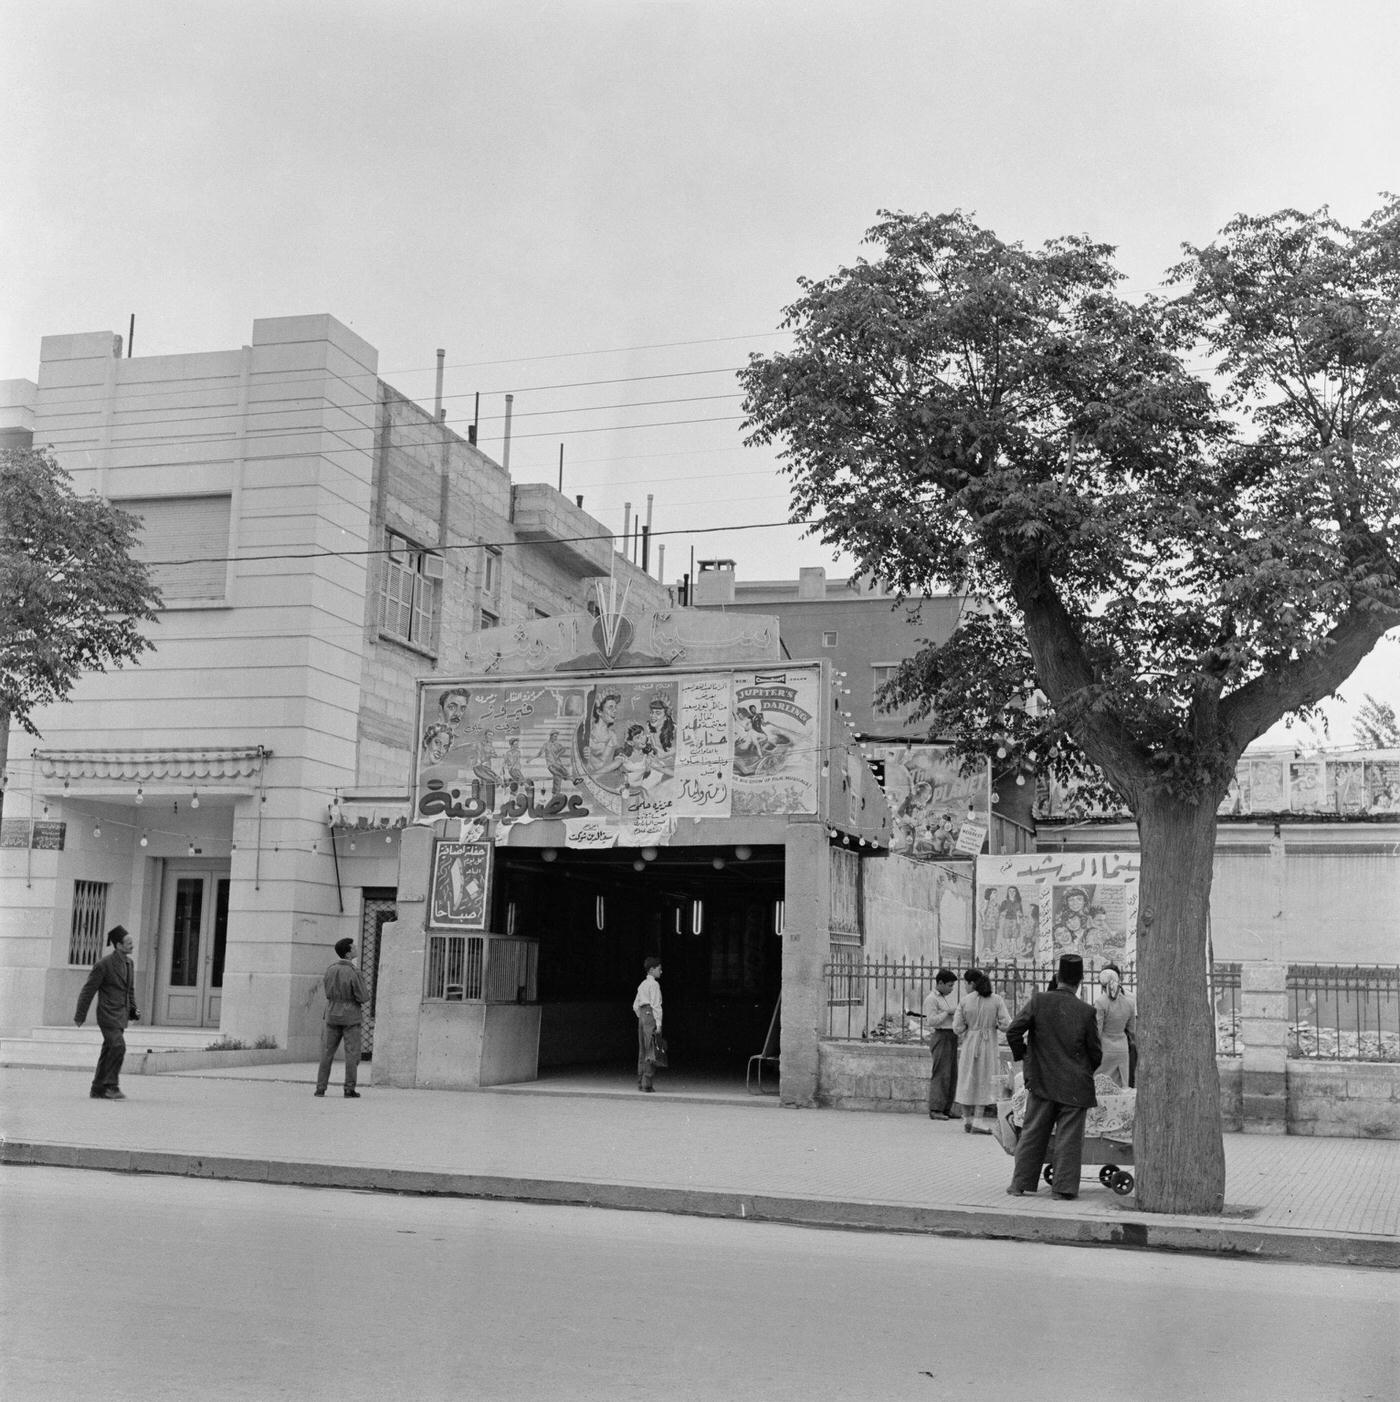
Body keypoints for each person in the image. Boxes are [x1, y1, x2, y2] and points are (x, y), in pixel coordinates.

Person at [1005, 952, 1103, 1199]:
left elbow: (1013, 1032)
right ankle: (1063, 1189)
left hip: (1041, 1080)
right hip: (1075, 1085)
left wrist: (1027, 1058)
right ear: (1080, 981)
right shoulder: (1086, 1011)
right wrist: (1082, 1070)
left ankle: (1019, 1184)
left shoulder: (1039, 1001)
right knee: (1069, 1139)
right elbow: (1096, 1053)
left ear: (1058, 977)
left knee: (1033, 1132)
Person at [74, 926, 139, 1100]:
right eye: (128, 943)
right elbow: (88, 990)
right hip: (107, 1013)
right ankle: (111, 1086)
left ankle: (97, 1088)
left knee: (109, 1048)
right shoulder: (104, 965)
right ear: (118, 945)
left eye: (132, 942)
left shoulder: (129, 963)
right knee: (118, 1046)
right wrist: (80, 1015)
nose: (132, 945)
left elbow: (129, 990)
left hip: (121, 1013)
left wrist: (133, 1009)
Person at [952, 968, 1011, 1133]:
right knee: (984, 1080)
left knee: (966, 1079)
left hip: (970, 1043)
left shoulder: (965, 1001)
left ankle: (967, 1119)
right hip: (988, 1043)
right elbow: (1006, 1024)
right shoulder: (997, 1000)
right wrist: (995, 1025)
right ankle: (978, 1119)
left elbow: (957, 1027)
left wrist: (969, 1027)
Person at [314, 937, 368, 1098]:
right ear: (348, 953)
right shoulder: (353, 971)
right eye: (353, 947)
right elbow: (363, 996)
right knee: (352, 1053)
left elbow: (327, 990)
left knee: (327, 1052)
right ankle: (349, 1088)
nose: (356, 948)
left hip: (331, 1012)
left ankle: (320, 1087)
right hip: (350, 1015)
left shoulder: (330, 969)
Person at [921, 968, 960, 1120]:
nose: (951, 989)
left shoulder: (943, 998)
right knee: (941, 1073)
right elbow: (931, 1020)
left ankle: (946, 1108)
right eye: (949, 985)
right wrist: (947, 1013)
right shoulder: (932, 999)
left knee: (951, 1074)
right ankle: (936, 1109)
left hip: (951, 1036)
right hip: (941, 1036)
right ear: (940, 983)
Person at [1094, 962, 1137, 1088]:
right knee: (1121, 1086)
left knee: (1101, 1087)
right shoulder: (1129, 1002)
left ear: (1102, 984)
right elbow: (1132, 1030)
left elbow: (1098, 1030)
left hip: (1105, 1048)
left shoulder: (1100, 1002)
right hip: (1122, 1049)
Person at [632, 956, 664, 1091]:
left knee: (642, 1050)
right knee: (651, 1050)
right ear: (652, 970)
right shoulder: (654, 985)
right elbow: (656, 1005)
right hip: (650, 1015)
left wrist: (642, 1016)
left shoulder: (642, 984)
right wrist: (658, 1023)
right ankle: (647, 1083)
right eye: (659, 969)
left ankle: (640, 1081)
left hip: (642, 1016)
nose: (661, 971)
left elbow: (635, 1006)